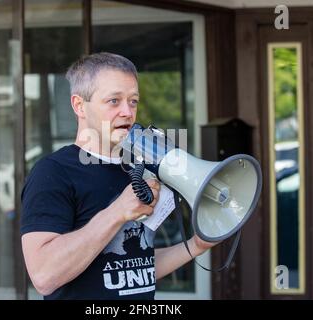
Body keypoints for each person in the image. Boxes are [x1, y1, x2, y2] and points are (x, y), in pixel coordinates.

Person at [20, 52, 216, 300]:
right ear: (79, 105)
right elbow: (44, 276)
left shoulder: (138, 169)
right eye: (114, 101)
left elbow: (136, 266)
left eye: (133, 101)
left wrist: (197, 245)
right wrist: (118, 212)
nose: (127, 112)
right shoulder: (53, 173)